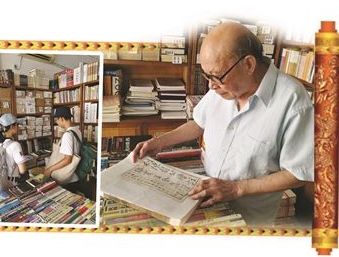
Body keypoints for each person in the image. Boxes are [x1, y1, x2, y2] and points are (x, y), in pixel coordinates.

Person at [132, 22, 314, 226]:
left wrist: (236, 188)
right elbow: (198, 123)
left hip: (250, 219)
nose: (211, 85)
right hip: (206, 201)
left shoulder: (294, 102)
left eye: (216, 76)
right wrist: (159, 142)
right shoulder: (223, 85)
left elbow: (298, 174)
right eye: (207, 75)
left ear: (249, 65)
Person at [44, 106, 82, 193]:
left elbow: (67, 159)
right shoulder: (77, 131)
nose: (56, 122)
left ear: (61, 118)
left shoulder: (67, 135)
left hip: (66, 178)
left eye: (57, 119)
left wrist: (49, 169)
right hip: (73, 175)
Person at [0, 113, 27, 183]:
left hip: (0, 181)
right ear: (11, 127)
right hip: (12, 182)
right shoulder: (15, 145)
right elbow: (22, 170)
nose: (18, 127)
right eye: (16, 125)